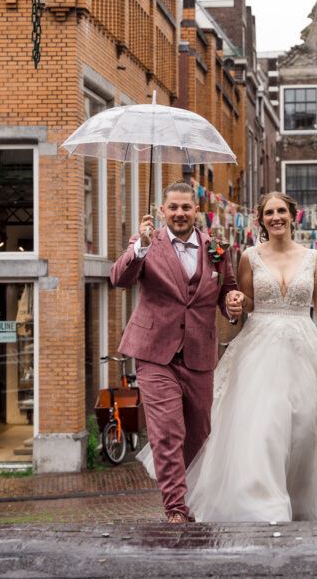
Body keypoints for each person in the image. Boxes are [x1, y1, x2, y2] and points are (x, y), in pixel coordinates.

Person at [147, 191, 317, 522]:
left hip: (303, 350)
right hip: (260, 350)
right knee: (267, 426)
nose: (276, 217)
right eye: (269, 212)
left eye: (281, 210)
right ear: (262, 219)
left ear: (292, 215)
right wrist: (238, 302)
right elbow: (245, 303)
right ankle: (264, 504)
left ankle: (300, 501)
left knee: (304, 431)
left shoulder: (314, 258)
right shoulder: (249, 257)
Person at [110, 181, 243, 524]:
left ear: (197, 210)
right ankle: (175, 508)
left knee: (198, 436)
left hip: (199, 354)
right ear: (162, 211)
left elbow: (227, 294)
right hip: (155, 353)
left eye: (186, 207)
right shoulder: (145, 244)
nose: (180, 213)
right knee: (168, 431)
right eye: (173, 207)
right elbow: (119, 279)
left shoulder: (216, 248)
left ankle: (194, 498)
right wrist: (138, 247)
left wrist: (233, 306)